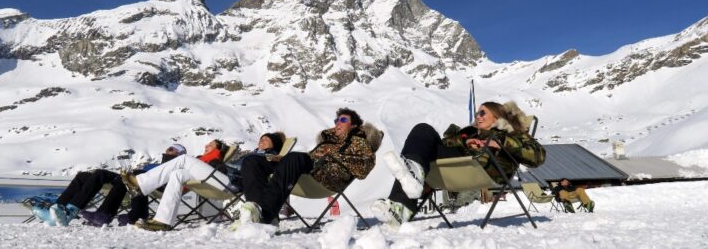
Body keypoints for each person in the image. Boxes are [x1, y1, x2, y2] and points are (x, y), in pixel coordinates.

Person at [371, 101, 546, 228]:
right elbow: (443, 145)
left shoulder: (511, 134)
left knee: (417, 155)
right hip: (459, 163)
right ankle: (401, 206)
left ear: (497, 116)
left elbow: (538, 156)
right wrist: (465, 140)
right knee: (422, 130)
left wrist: (497, 142)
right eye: (477, 113)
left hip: (485, 169)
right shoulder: (469, 132)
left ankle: (407, 195)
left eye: (483, 112)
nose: (478, 116)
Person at [232, 108, 382, 230]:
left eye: (343, 120)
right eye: (336, 120)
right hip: (310, 167)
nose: (338, 123)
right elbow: (310, 157)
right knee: (253, 161)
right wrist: (276, 159)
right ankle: (255, 213)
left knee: (295, 157)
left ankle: (266, 215)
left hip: (327, 177)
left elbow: (364, 169)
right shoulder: (329, 140)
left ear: (354, 125)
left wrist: (332, 155)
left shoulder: (359, 142)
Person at [28, 143, 187, 227]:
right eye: (168, 147)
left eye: (172, 149)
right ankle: (57, 209)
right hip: (132, 178)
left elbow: (169, 183)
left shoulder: (174, 167)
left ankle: (70, 211)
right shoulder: (160, 164)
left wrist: (138, 175)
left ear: (179, 154)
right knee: (84, 176)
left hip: (140, 182)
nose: (168, 149)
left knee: (99, 174)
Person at [120, 138, 234, 231]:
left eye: (210, 145)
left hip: (224, 184)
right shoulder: (202, 161)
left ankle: (139, 183)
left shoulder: (215, 160)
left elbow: (222, 171)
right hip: (209, 181)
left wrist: (212, 162)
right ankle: (163, 221)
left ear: (218, 149)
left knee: (183, 158)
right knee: (177, 174)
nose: (205, 146)